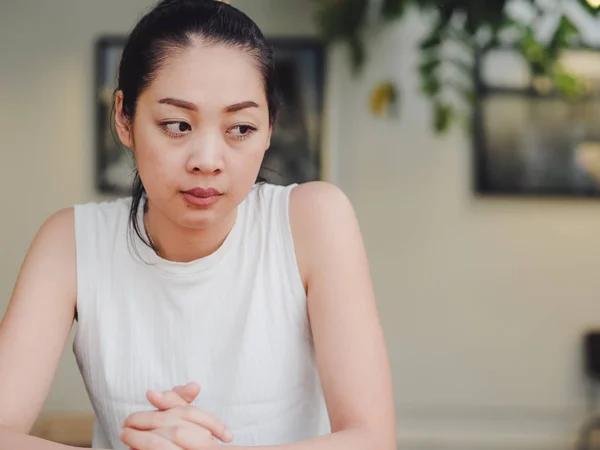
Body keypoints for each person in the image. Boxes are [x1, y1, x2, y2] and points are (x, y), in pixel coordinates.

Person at [0, 1, 396, 449]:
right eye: (176, 124)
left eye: (241, 129)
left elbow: (371, 438)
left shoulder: (314, 221)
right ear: (123, 118)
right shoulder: (70, 243)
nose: (207, 161)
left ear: (269, 129)